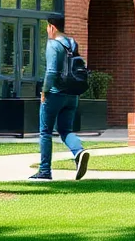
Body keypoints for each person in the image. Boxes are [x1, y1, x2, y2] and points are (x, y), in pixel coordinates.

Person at [28, 15, 91, 181]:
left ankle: (45, 170)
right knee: (65, 130)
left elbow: (51, 72)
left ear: (52, 27)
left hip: (55, 94)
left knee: (45, 132)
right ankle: (78, 151)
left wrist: (44, 92)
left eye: (47, 27)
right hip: (72, 94)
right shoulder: (72, 43)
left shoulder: (53, 44)